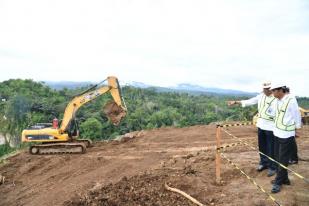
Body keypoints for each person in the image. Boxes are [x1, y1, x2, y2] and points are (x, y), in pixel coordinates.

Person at [227, 82, 277, 176]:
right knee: (262, 146)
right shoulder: (260, 96)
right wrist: (236, 102)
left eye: (268, 88)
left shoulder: (276, 98)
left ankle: (272, 167)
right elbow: (250, 101)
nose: (266, 90)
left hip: (271, 126)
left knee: (271, 147)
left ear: (271, 88)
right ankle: (263, 163)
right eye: (264, 88)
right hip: (261, 125)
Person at [270, 84, 302, 193]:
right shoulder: (277, 100)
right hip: (277, 132)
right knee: (278, 157)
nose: (272, 93)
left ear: (280, 90)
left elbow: (296, 115)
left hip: (286, 134)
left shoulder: (291, 100)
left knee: (282, 159)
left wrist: (296, 129)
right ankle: (285, 179)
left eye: (273, 91)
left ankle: (278, 182)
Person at [286, 87, 299, 165]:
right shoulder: (289, 98)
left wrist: (296, 125)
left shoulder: (291, 99)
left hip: (290, 125)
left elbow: (295, 112)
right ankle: (292, 158)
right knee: (290, 142)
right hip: (288, 126)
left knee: (291, 143)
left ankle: (293, 159)